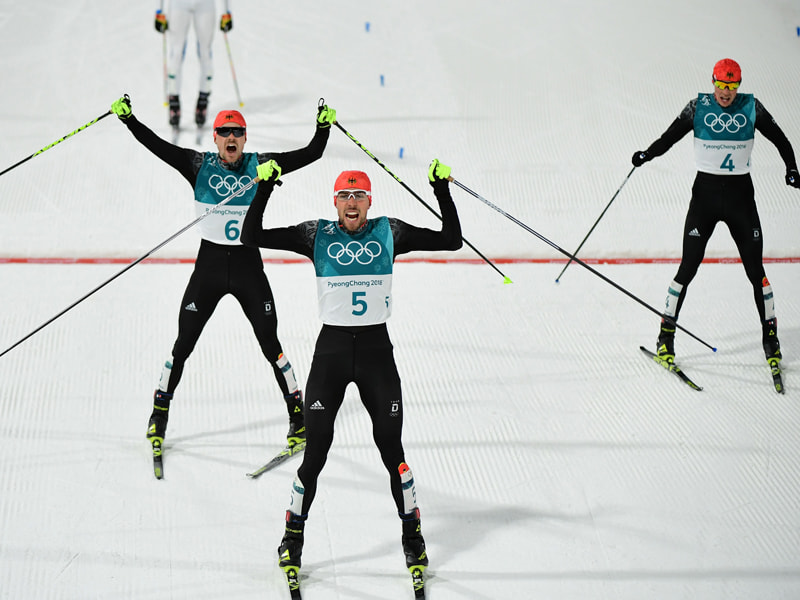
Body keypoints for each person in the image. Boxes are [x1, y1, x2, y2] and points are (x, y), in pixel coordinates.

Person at [240, 159, 462, 594]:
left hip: (378, 353)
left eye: (359, 196)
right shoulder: (316, 234)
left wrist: (441, 189)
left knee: (391, 449)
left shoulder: (389, 231)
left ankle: (412, 538)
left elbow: (451, 240)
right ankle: (292, 539)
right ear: (335, 201)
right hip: (333, 355)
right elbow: (252, 237)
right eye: (345, 196)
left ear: (369, 201)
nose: (352, 204)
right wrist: (263, 188)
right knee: (316, 453)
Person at [109, 94, 337, 462]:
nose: (231, 139)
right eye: (224, 133)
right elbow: (156, 145)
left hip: (248, 267)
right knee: (183, 344)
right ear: (214, 139)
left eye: (237, 133)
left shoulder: (262, 165)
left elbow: (312, 153)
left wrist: (323, 127)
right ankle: (159, 416)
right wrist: (129, 119)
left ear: (245, 139)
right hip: (210, 268)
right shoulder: (196, 163)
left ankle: (298, 418)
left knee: (270, 343)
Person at [631, 58, 800, 385]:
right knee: (688, 267)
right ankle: (665, 338)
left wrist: (791, 168)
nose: (726, 92)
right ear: (713, 82)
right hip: (705, 199)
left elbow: (781, 140)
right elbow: (669, 138)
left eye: (732, 86)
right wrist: (647, 154)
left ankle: (771, 340)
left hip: (740, 200)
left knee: (756, 272)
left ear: (738, 85)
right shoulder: (697, 107)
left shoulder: (753, 107)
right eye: (721, 85)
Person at [155, 0, 233, 127]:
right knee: (176, 53)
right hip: (179, 5)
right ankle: (174, 101)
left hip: (205, 5)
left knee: (205, 53)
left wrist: (226, 12)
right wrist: (159, 10)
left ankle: (203, 100)